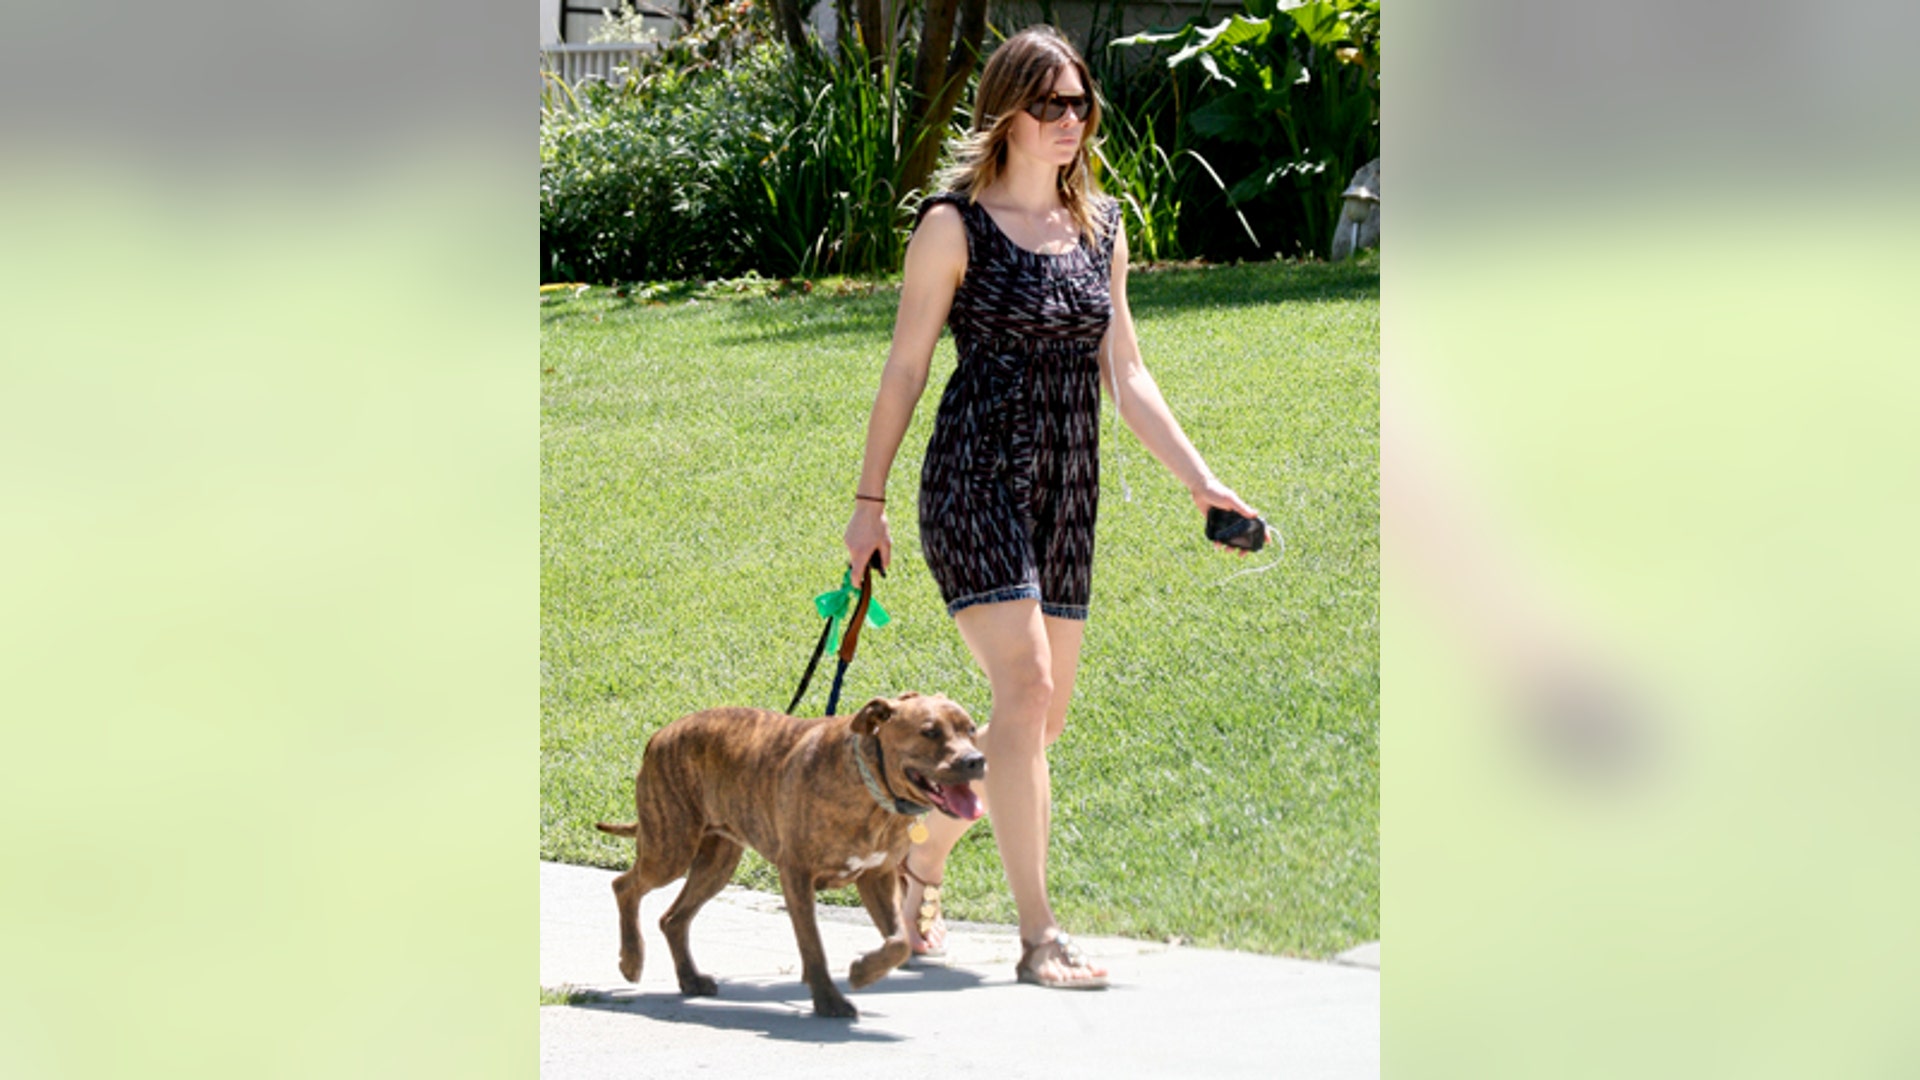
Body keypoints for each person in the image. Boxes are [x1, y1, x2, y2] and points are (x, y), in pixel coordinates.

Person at [843, 25, 1265, 990]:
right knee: (1026, 688)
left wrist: (1200, 480)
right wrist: (867, 507)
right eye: (1050, 104)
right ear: (1007, 112)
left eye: (1081, 104)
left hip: (1068, 487)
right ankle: (1040, 940)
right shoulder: (953, 227)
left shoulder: (1101, 227)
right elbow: (906, 367)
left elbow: (1127, 371)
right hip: (973, 476)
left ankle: (922, 857)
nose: (1070, 121)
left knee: (1043, 715)